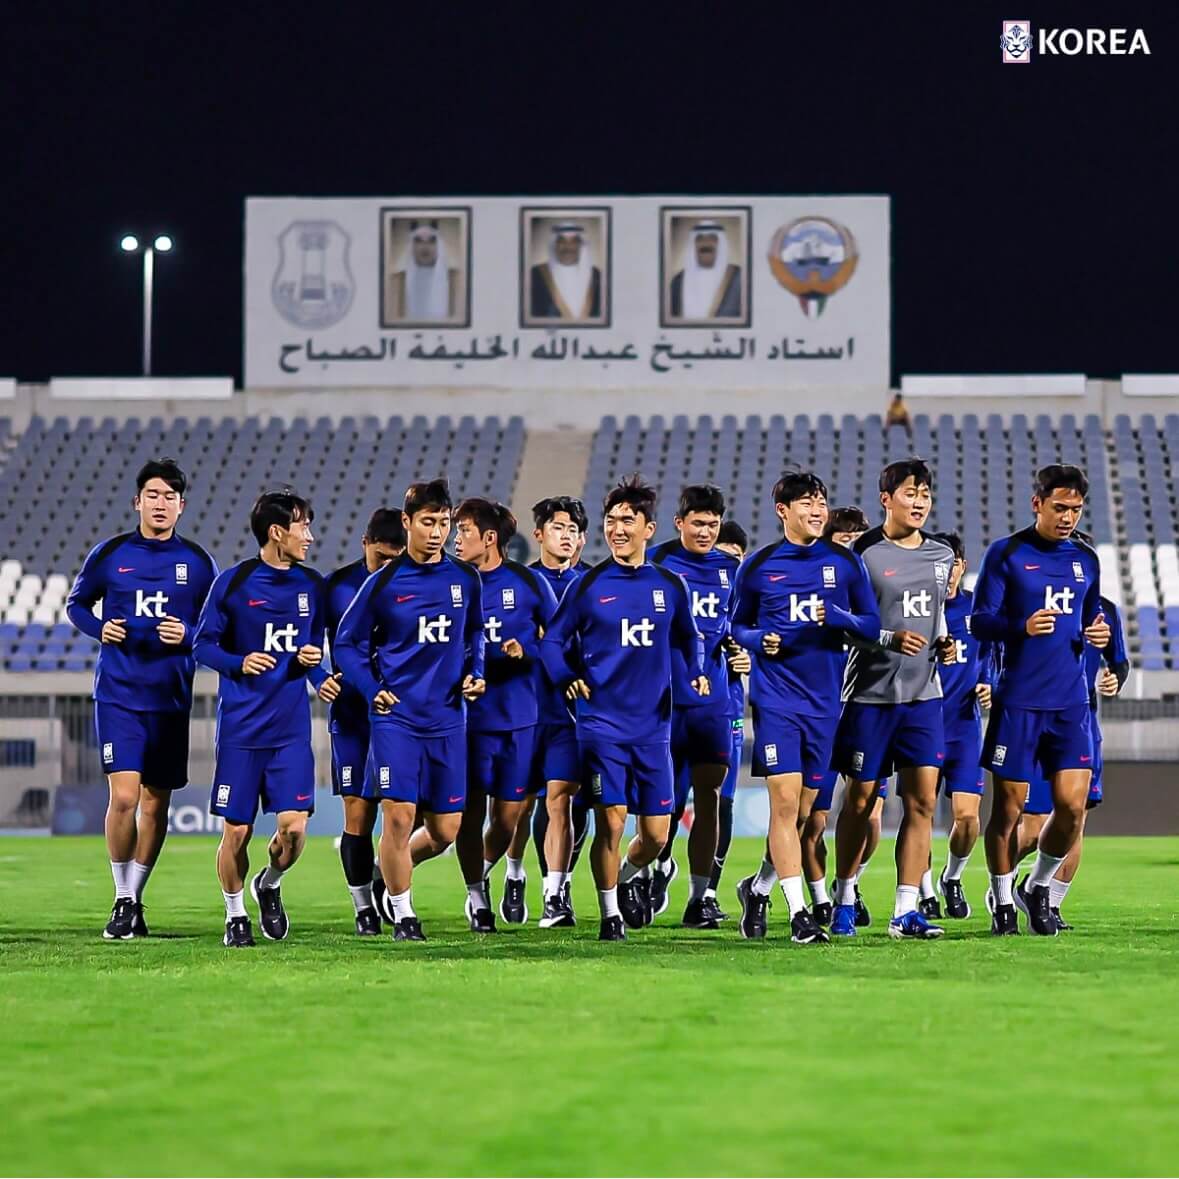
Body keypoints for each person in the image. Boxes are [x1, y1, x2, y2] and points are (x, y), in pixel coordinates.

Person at [540, 476, 706, 941]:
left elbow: (689, 635)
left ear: (648, 529)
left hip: (654, 727)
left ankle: (634, 872)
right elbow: (553, 641)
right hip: (601, 726)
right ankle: (611, 913)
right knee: (609, 819)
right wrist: (566, 677)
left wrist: (694, 668)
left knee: (655, 835)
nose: (616, 529)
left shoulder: (669, 585)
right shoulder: (588, 584)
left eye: (626, 521)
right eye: (611, 521)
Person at [66, 458, 218, 940]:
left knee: (156, 805)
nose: (160, 504)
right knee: (125, 796)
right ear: (138, 501)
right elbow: (76, 604)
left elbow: (215, 631)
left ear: (181, 506)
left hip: (170, 698)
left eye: (169, 497)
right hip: (119, 695)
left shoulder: (197, 563)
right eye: (152, 495)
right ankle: (122, 898)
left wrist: (188, 634)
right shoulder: (110, 554)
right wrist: (99, 627)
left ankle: (136, 895)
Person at [333, 478, 485, 942]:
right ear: (408, 522)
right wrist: (370, 686)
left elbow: (475, 633)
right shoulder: (384, 583)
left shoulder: (464, 578)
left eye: (444, 523)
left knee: (445, 830)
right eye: (428, 522)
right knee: (398, 817)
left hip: (447, 719)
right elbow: (346, 643)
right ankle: (403, 914)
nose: (437, 532)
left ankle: (387, 872)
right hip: (396, 719)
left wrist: (475, 671)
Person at [732, 472, 879, 943]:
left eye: (821, 501)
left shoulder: (844, 564)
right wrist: (759, 640)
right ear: (783, 511)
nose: (817, 510)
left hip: (825, 705)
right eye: (806, 503)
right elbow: (735, 627)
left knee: (806, 816)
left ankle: (758, 888)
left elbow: (872, 624)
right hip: (777, 702)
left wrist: (839, 618)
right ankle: (799, 916)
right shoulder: (759, 566)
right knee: (785, 804)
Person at [971, 464, 1109, 936]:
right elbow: (979, 622)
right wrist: (1021, 627)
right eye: (1059, 508)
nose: (1068, 517)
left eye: (1075, 509)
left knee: (1072, 807)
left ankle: (1038, 886)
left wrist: (1098, 630)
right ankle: (1003, 898)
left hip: (1072, 703)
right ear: (1038, 504)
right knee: (1007, 811)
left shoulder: (1087, 559)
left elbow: (1092, 613)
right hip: (1019, 702)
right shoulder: (1006, 554)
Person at [193, 490, 332, 948]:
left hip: (290, 731)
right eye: (302, 526)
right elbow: (203, 645)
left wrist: (320, 673)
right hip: (241, 731)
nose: (309, 536)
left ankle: (268, 883)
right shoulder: (233, 584)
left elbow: (310, 651)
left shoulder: (313, 586)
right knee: (238, 831)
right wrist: (238, 662)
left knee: (293, 831)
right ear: (277, 532)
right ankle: (235, 915)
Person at [829, 458, 956, 940]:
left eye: (925, 493)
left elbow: (936, 616)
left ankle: (906, 910)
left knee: (922, 801)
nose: (919, 502)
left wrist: (944, 643)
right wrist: (886, 639)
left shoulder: (942, 556)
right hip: (869, 696)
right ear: (886, 499)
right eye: (909, 493)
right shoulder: (860, 554)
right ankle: (844, 896)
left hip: (925, 695)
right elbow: (843, 624)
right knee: (860, 801)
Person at [452, 498, 558, 933]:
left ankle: (490, 873)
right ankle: (477, 897)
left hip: (518, 717)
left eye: (465, 532)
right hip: (468, 719)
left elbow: (558, 638)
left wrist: (526, 650)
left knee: (510, 817)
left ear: (489, 539)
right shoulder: (450, 583)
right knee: (470, 814)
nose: (456, 540)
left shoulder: (527, 583)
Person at [649, 485, 741, 929]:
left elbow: (743, 628)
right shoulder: (658, 565)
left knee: (710, 799)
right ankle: (650, 868)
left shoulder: (732, 570)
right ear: (679, 523)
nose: (706, 531)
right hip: (663, 702)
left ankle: (700, 896)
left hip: (712, 703)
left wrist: (744, 650)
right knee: (663, 803)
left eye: (712, 523)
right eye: (698, 523)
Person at [324, 509, 406, 936]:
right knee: (358, 814)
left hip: (404, 717)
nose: (388, 567)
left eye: (397, 559)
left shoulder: (415, 584)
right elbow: (304, 639)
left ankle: (385, 876)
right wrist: (321, 677)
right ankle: (362, 908)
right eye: (381, 558)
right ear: (364, 545)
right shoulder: (337, 587)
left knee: (410, 814)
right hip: (354, 716)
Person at [795, 506, 870, 926]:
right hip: (823, 710)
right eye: (844, 541)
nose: (852, 550)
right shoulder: (815, 589)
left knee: (868, 812)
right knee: (813, 818)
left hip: (863, 709)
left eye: (858, 541)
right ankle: (821, 898)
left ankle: (849, 887)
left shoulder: (866, 591)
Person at [525, 495, 593, 928]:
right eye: (558, 528)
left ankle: (555, 890)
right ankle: (510, 877)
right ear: (539, 534)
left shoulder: (593, 582)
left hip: (575, 710)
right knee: (514, 809)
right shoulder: (521, 582)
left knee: (563, 800)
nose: (565, 536)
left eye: (572, 530)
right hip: (525, 709)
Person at [932, 532, 993, 919]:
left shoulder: (978, 612)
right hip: (920, 724)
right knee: (919, 815)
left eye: (953, 562)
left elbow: (994, 655)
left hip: (964, 726)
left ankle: (951, 878)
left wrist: (990, 684)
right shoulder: (917, 612)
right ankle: (920, 894)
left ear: (962, 566)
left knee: (968, 818)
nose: (947, 571)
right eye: (939, 563)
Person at [706, 520, 751, 913]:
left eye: (735, 560)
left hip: (730, 711)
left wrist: (749, 655)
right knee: (667, 806)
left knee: (724, 803)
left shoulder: (746, 604)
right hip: (682, 709)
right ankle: (659, 868)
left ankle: (707, 892)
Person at [668, 220, 743, 320]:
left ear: (721, 244)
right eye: (699, 238)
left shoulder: (740, 277)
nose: (705, 243)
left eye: (712, 238)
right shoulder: (677, 282)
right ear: (693, 244)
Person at [387, 220, 459, 321]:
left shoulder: (457, 281)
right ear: (411, 246)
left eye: (431, 241)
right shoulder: (395, 282)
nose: (425, 247)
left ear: (439, 246)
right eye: (418, 241)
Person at [529, 221, 602, 320]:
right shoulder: (535, 274)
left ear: (581, 246)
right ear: (554, 245)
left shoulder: (598, 276)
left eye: (574, 242)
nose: (568, 247)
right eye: (561, 241)